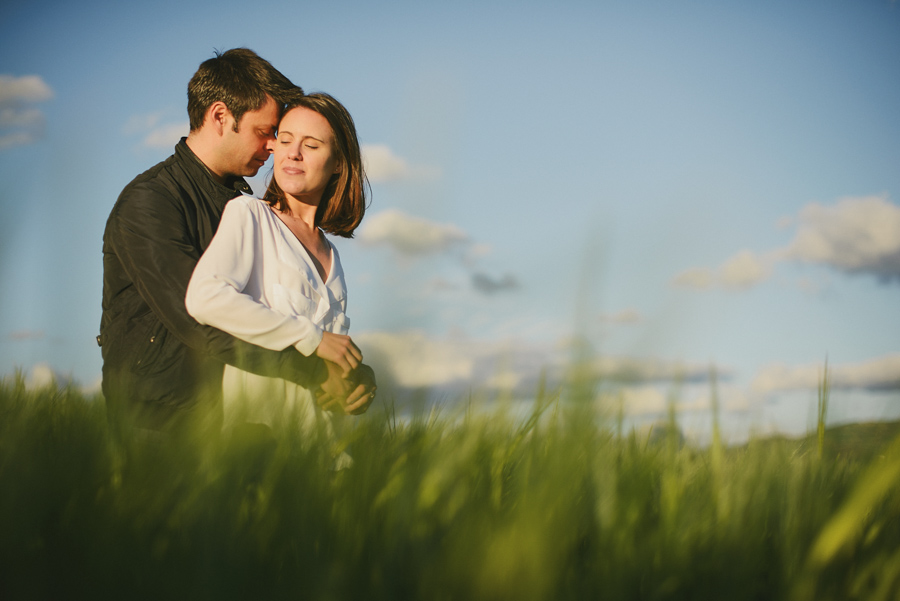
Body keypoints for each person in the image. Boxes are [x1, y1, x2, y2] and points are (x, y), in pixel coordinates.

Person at [99, 49, 375, 442]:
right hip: (158, 418)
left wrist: (352, 374)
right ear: (220, 117)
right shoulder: (151, 201)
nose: (273, 147)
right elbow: (198, 321)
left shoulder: (244, 205)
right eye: (267, 133)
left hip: (228, 426)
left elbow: (287, 315)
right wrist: (316, 372)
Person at [185, 92, 371, 446]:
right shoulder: (249, 215)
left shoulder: (333, 256)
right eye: (285, 140)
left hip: (324, 456)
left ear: (338, 164)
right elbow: (204, 297)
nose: (293, 152)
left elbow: (330, 351)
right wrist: (311, 338)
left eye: (311, 145)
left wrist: (356, 383)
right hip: (259, 446)